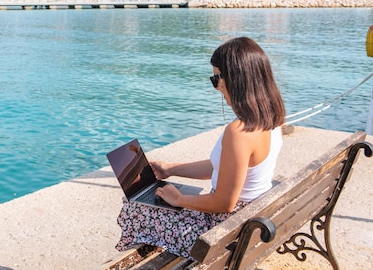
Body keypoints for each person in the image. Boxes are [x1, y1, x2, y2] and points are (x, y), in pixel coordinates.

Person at [116, 36, 286, 258]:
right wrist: (171, 168)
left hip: (220, 234)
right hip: (244, 224)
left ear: (234, 78)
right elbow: (225, 168)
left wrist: (178, 200)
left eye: (216, 78)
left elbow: (224, 203)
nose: (216, 88)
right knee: (151, 204)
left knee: (134, 208)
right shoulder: (272, 120)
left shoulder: (239, 132)